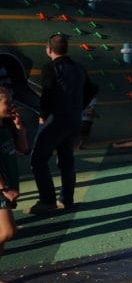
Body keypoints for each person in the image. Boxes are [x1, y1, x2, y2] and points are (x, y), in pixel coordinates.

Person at [29, 32, 96, 214]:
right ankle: (67, 200)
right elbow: (91, 89)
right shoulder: (79, 67)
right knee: (66, 160)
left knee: (38, 160)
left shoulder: (50, 68)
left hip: (55, 119)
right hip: (74, 120)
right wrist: (78, 107)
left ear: (49, 49)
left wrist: (43, 114)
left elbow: (48, 93)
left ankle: (47, 200)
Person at [0, 87, 29, 283]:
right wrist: (4, 188)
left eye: (11, 102)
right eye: (6, 103)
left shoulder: (6, 125)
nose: (11, 106)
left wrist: (20, 128)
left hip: (8, 184)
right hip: (2, 187)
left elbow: (22, 149)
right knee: (8, 232)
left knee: (2, 236)